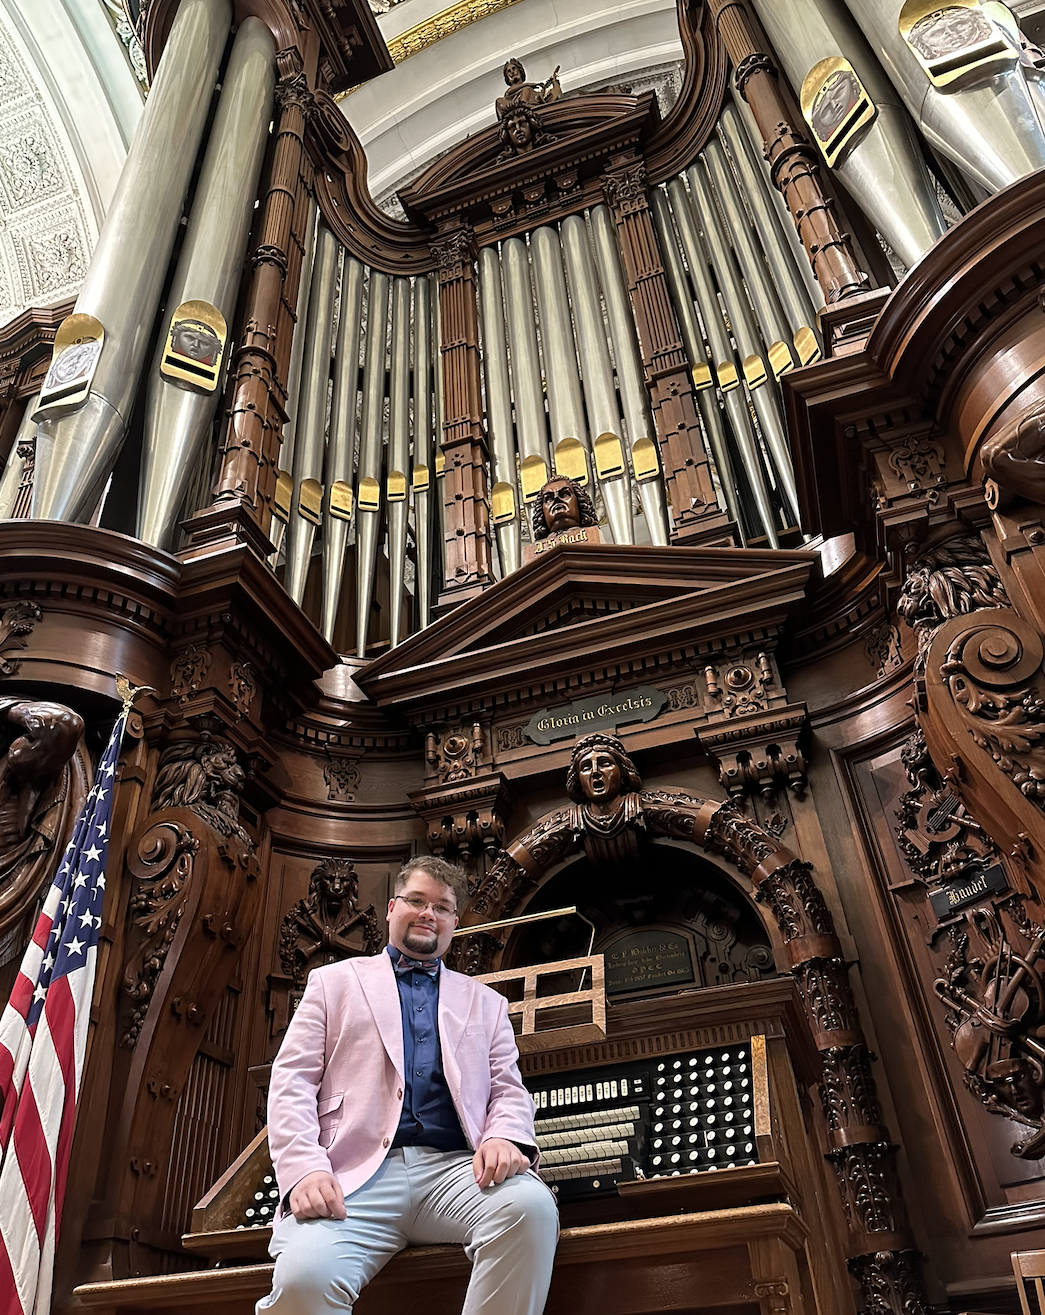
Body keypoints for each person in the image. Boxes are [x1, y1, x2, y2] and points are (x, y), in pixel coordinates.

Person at [259, 855, 558, 1315]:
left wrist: (503, 1135)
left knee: (531, 1209)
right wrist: (304, 1170)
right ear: (391, 909)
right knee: (305, 1278)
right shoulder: (331, 983)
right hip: (355, 1180)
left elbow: (508, 1090)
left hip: (456, 1174)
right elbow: (292, 1081)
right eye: (416, 901)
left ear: (454, 922)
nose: (427, 914)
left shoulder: (489, 1004)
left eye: (441, 907)